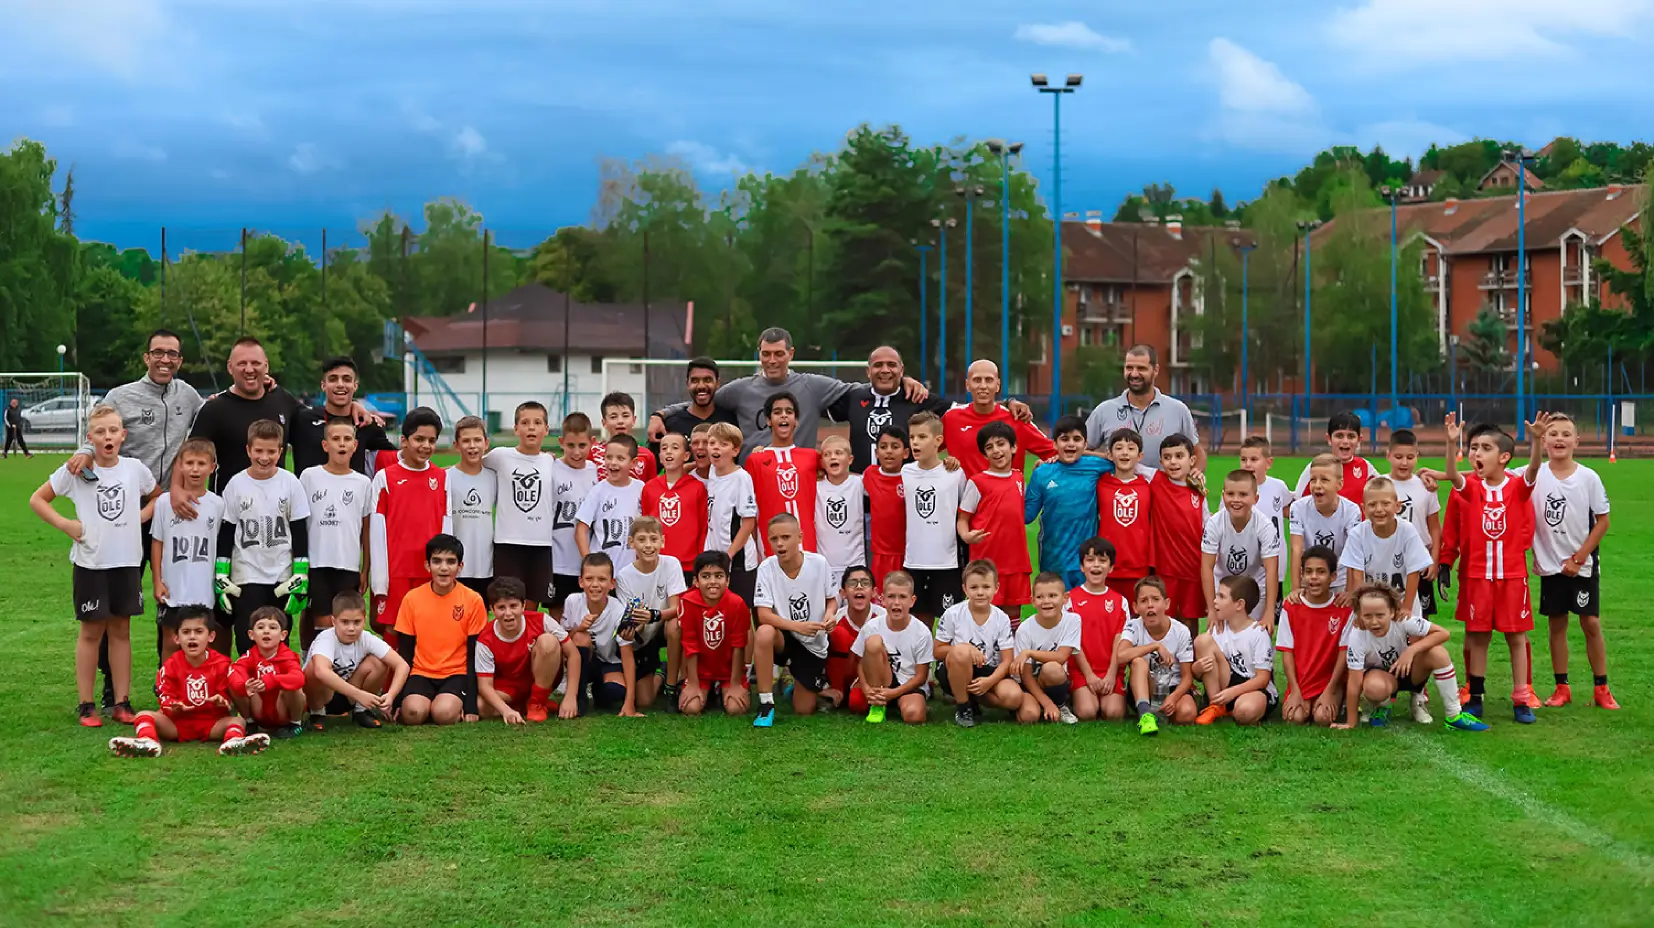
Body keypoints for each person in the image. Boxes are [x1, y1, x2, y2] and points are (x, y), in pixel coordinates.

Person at [30, 404, 157, 726]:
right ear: (90, 438)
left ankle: (122, 702)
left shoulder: (134, 469)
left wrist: (142, 515)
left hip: (126, 562)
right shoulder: (76, 470)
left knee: (121, 631)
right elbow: (38, 499)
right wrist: (66, 525)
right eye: (100, 432)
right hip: (91, 563)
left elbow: (157, 496)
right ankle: (86, 705)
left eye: (113, 431)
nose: (107, 436)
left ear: (123, 435)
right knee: (91, 632)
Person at [647, 327, 927, 459]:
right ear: (759, 354)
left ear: (790, 353)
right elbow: (701, 400)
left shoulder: (812, 386)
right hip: (752, 481)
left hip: (799, 479)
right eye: (766, 354)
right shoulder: (740, 390)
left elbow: (863, 388)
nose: (772, 360)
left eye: (778, 354)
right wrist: (661, 414)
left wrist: (902, 380)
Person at [1440, 413, 1544, 723]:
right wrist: (1451, 444)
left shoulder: (1517, 487)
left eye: (1486, 448)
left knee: (1516, 637)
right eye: (1474, 448)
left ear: (1504, 457)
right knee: (1478, 635)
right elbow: (1451, 474)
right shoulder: (1473, 488)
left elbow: (1534, 468)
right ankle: (1476, 696)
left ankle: (1522, 698)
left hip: (1512, 576)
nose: (1477, 454)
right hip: (1477, 576)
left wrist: (1537, 440)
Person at [1529, 413, 1617, 709]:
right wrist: (1441, 475)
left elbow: (1603, 522)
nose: (1560, 439)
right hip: (1551, 565)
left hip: (1582, 565)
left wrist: (1579, 558)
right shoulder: (1534, 473)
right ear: (1544, 440)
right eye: (1553, 433)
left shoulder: (1588, 477)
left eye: (1566, 434)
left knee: (1590, 622)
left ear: (1576, 441)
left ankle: (1602, 688)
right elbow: (1493, 471)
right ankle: (1561, 688)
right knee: (1557, 625)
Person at [186, 337, 351, 493]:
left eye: (255, 363)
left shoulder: (282, 399)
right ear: (230, 367)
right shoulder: (214, 409)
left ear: (266, 366)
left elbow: (318, 422)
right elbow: (189, 457)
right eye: (242, 363)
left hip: (277, 507)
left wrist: (350, 407)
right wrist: (182, 491)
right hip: (230, 509)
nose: (249, 369)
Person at [108, 608, 271, 758]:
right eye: (186, 632)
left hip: (212, 723)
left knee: (237, 721)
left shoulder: (222, 664)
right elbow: (164, 696)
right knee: (144, 715)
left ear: (211, 636)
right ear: (177, 638)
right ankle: (148, 742)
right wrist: (173, 705)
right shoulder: (170, 665)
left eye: (199, 631)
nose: (192, 637)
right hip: (177, 723)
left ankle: (233, 742)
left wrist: (222, 700)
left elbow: (230, 693)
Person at [1333, 584, 1489, 732]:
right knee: (1374, 687)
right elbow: (1354, 682)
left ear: (1392, 612)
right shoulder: (1357, 635)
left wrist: (1411, 651)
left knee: (1438, 653)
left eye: (1380, 615)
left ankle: (1454, 715)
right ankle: (1382, 705)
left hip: (1408, 671)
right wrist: (1351, 723)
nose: (1374, 622)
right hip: (1381, 679)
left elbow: (1443, 633)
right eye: (1367, 616)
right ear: (1359, 615)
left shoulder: (1402, 620)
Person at [214, 419, 311, 655]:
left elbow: (299, 530)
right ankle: (247, 679)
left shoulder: (291, 483)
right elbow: (227, 532)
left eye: (271, 451)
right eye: (258, 450)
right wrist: (221, 573)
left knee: (278, 639)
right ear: (248, 450)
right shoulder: (236, 484)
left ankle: (277, 680)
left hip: (282, 574)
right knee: (247, 637)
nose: (264, 457)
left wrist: (301, 572)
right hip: (246, 574)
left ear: (281, 451)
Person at [751, 513, 840, 728]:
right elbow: (763, 615)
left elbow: (832, 600)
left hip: (813, 642)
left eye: (785, 537)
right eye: (774, 539)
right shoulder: (766, 568)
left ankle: (798, 683)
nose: (780, 544)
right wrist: (798, 627)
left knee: (804, 709)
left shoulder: (819, 563)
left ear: (800, 537)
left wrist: (830, 615)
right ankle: (766, 704)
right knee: (764, 632)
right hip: (785, 636)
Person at [368, 408, 450, 640]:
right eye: (419, 439)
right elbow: (377, 531)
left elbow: (447, 526)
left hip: (429, 570)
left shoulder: (442, 477)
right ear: (404, 441)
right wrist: (380, 580)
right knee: (394, 629)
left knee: (427, 629)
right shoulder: (385, 477)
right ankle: (394, 667)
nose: (426, 446)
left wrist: (445, 569)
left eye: (431, 441)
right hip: (396, 572)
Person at [393, 533, 487, 726]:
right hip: (421, 672)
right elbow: (405, 652)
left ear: (460, 567)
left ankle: (448, 705)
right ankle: (426, 704)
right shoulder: (412, 599)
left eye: (451, 562)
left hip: (456, 673)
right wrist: (398, 699)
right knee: (412, 713)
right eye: (437, 561)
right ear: (427, 565)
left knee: (443, 714)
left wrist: (471, 705)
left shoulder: (473, 600)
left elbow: (474, 654)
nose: (444, 568)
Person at [298, 420, 372, 650]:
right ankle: (310, 659)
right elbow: (299, 523)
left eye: (347, 439)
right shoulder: (309, 477)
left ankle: (340, 666)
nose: (342, 444)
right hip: (317, 562)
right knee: (319, 620)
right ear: (325, 445)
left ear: (355, 445)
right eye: (336, 439)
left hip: (347, 564)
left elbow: (366, 529)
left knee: (344, 620)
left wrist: (365, 569)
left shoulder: (363, 483)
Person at [824, 345, 958, 472]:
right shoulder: (854, 397)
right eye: (878, 365)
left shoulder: (916, 397)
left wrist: (954, 456)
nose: (885, 370)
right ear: (868, 372)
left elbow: (963, 415)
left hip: (905, 486)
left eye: (892, 365)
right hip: (860, 485)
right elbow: (816, 406)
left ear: (901, 370)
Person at [150, 438, 223, 662]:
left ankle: (199, 683)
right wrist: (157, 581)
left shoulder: (218, 504)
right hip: (172, 589)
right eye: (189, 463)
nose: (195, 469)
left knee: (202, 642)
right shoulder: (164, 503)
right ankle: (167, 682)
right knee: (170, 641)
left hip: (203, 589)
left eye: (201, 464)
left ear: (212, 467)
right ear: (180, 466)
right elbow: (157, 542)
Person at [1025, 415, 1112, 587]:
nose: (1071, 444)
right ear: (1054, 444)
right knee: (1055, 601)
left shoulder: (1096, 466)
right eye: (1064, 439)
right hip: (1053, 557)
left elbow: (1123, 463)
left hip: (1087, 559)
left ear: (1085, 445)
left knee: (1086, 602)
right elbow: (1027, 515)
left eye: (1077, 439)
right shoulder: (1042, 472)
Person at [477, 576, 578, 724]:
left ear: (523, 605)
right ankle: (522, 705)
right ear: (492, 609)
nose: (508, 613)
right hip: (508, 688)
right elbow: (484, 686)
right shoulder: (485, 639)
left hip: (540, 676)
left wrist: (570, 696)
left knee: (548, 641)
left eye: (513, 606)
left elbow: (573, 654)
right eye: (501, 607)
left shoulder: (541, 620)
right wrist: (505, 710)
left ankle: (537, 702)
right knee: (480, 706)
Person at [485, 402, 557, 608]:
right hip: (508, 543)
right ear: (516, 429)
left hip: (541, 544)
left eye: (537, 423)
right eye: (525, 423)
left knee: (532, 606)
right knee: (508, 603)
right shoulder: (500, 456)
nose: (531, 427)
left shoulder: (550, 462)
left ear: (546, 429)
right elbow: (469, 467)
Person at [933, 561, 1021, 728]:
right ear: (965, 589)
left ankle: (975, 698)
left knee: (1014, 698)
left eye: (986, 587)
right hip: (956, 668)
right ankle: (964, 708)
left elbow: (1007, 660)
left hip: (988, 670)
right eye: (974, 587)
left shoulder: (1001, 618)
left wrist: (990, 681)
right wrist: (966, 648)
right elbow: (937, 651)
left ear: (996, 588)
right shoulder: (953, 614)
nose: (980, 592)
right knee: (960, 652)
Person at [303, 592, 408, 730]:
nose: (351, 628)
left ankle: (362, 711)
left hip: (351, 696)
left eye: (357, 622)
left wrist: (391, 695)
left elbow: (402, 665)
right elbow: (321, 671)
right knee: (314, 667)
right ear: (333, 621)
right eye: (345, 622)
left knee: (379, 661)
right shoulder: (326, 638)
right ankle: (317, 713)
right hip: (324, 696)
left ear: (364, 620)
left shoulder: (366, 638)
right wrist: (359, 694)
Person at [958, 421, 1033, 612]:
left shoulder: (1018, 478)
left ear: (1013, 447)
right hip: (986, 560)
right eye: (989, 447)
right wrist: (966, 536)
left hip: (1016, 561)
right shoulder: (977, 482)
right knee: (985, 611)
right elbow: (963, 519)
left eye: (1001, 444)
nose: (996, 451)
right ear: (984, 454)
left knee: (1013, 612)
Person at [1084, 345, 1204, 464]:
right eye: (1129, 368)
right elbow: (1081, 451)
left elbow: (1198, 454)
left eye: (1141, 368)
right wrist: (1107, 457)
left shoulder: (1178, 410)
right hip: (1116, 478)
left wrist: (1195, 474)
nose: (1134, 374)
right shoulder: (1104, 411)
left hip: (1161, 478)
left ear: (1156, 370)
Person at [614, 516, 686, 710]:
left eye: (653, 539)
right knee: (644, 701)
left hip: (664, 624)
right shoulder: (624, 577)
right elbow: (630, 617)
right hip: (644, 636)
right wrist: (634, 629)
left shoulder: (671, 564)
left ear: (662, 541)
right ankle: (661, 672)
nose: (648, 545)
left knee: (676, 625)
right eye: (642, 539)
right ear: (631, 543)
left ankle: (672, 686)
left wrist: (654, 615)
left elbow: (678, 608)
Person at [1277, 546, 1352, 727]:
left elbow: (1343, 654)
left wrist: (1330, 690)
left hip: (1330, 682)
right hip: (1302, 681)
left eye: (1321, 572)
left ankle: (1339, 696)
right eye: (1309, 572)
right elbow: (1287, 653)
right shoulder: (1291, 607)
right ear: (1302, 575)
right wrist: (1295, 690)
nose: (1314, 577)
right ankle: (1303, 697)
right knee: (1295, 718)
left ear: (1333, 577)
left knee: (1322, 718)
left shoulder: (1343, 609)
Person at [942, 359, 1055, 477]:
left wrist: (1044, 468)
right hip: (966, 490)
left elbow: (1056, 453)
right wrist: (944, 464)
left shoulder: (1016, 418)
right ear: (967, 385)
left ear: (997, 385)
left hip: (1009, 489)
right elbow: (929, 451)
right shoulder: (951, 418)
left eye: (989, 380)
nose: (983, 386)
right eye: (977, 380)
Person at [902, 411, 965, 622]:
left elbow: (964, 512)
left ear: (938, 440)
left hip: (946, 562)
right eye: (912, 437)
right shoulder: (905, 472)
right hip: (914, 561)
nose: (915, 442)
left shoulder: (954, 473)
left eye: (922, 437)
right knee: (918, 622)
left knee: (950, 621)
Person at [562, 552, 642, 717]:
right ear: (581, 581)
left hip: (607, 662)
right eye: (589, 579)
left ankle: (598, 689)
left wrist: (630, 703)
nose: (595, 585)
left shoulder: (618, 610)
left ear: (612, 583)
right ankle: (578, 696)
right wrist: (579, 628)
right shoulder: (572, 601)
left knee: (614, 692)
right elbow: (563, 641)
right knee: (580, 637)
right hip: (580, 661)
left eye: (602, 579)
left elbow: (627, 656)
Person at [1200, 470, 1281, 633]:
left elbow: (1271, 571)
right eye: (1230, 494)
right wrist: (1212, 609)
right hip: (1223, 587)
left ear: (1255, 498)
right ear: (1223, 496)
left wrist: (1269, 612)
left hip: (1255, 587)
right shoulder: (1214, 524)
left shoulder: (1265, 527)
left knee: (1252, 635)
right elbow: (1206, 567)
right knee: (1218, 639)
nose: (1236, 500)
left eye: (1243, 495)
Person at [288, 356, 396, 475]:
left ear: (355, 386)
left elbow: (398, 459)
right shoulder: (302, 419)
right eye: (333, 379)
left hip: (352, 487)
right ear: (323, 385)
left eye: (346, 379)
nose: (340, 384)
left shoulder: (365, 423)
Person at [1192, 576, 1278, 726]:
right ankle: (1215, 705)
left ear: (1239, 605)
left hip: (1253, 687)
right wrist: (1196, 669)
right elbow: (1202, 675)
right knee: (1202, 640)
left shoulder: (1258, 632)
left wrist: (1232, 692)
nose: (1214, 601)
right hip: (1226, 682)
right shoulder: (1217, 629)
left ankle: (1236, 707)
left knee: (1244, 712)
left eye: (1221, 596)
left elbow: (1263, 679)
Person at [852, 570, 934, 725]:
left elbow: (921, 676)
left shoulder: (922, 632)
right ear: (882, 599)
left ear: (912, 601)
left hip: (907, 684)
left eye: (902, 597)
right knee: (873, 642)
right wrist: (866, 687)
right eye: (891, 596)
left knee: (914, 716)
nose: (896, 602)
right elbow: (861, 663)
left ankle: (900, 703)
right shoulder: (872, 626)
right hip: (880, 678)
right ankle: (878, 705)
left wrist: (894, 693)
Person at [1117, 577, 1198, 735]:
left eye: (1155, 599)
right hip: (1145, 687)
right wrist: (1155, 646)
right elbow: (1121, 655)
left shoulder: (1181, 631)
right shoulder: (1133, 626)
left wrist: (1174, 698)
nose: (1150, 605)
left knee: (1187, 714)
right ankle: (1145, 714)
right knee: (1138, 662)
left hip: (1172, 687)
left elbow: (1187, 677)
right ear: (1135, 607)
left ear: (1167, 604)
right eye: (1143, 600)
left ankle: (1161, 711)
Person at [744, 392, 820, 555]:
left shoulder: (812, 457)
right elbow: (749, 509)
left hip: (808, 545)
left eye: (789, 412)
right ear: (768, 420)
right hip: (770, 548)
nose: (784, 415)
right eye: (777, 412)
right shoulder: (755, 460)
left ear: (796, 421)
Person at [677, 551, 752, 717]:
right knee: (691, 708)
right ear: (696, 581)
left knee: (735, 709)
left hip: (728, 670)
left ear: (727, 580)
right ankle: (708, 690)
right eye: (706, 576)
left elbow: (738, 645)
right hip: (700, 671)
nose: (712, 581)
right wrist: (693, 683)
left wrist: (735, 684)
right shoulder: (688, 602)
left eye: (718, 576)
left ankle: (724, 688)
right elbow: (690, 645)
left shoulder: (737, 603)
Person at [1065, 538, 1132, 723]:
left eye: (1102, 561)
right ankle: (1073, 695)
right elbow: (1072, 642)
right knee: (1087, 712)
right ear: (1082, 566)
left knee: (1113, 713)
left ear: (1110, 568)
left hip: (1110, 670)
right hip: (1082, 671)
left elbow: (1120, 640)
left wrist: (1111, 674)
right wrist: (1089, 675)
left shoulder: (1120, 601)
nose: (1096, 565)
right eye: (1090, 560)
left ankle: (1122, 693)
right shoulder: (1070, 600)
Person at [1149, 432, 1208, 629]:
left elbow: (1208, 525)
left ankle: (1189, 650)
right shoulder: (1156, 479)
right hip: (1165, 567)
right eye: (1167, 457)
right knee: (1164, 616)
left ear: (1192, 461)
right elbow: (1124, 460)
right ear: (1160, 462)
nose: (1173, 462)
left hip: (1193, 566)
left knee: (1190, 618)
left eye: (1179, 456)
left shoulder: (1198, 489)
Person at [1287, 453, 1362, 604]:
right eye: (1313, 480)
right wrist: (1296, 588)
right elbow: (1296, 549)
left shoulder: (1351, 511)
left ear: (1339, 484)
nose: (1317, 485)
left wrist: (1349, 591)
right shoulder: (1298, 508)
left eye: (1324, 480)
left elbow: (1353, 552)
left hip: (1339, 580)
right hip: (1310, 579)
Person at [1382, 429, 1442, 616]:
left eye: (1410, 457)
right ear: (1388, 455)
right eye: (1398, 457)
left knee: (1420, 618)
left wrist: (1434, 560)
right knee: (1385, 612)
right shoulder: (1379, 484)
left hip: (1419, 559)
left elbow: (1434, 527)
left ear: (1417, 456)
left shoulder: (1426, 487)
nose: (1404, 462)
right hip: (1387, 558)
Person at [1011, 573, 1083, 724]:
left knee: (1052, 668)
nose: (1046, 601)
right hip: (1031, 683)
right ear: (1032, 601)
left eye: (1052, 596)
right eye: (1040, 597)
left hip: (1054, 678)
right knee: (1029, 716)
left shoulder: (1073, 620)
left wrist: (1029, 652)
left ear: (1065, 598)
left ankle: (1060, 704)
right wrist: (1046, 703)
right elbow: (1026, 676)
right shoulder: (1025, 629)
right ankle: (1040, 703)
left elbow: (1061, 657)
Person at [1093, 427, 1155, 602]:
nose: (1125, 453)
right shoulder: (1101, 483)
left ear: (1140, 456)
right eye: (1119, 448)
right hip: (1107, 564)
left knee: (1137, 612)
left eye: (1131, 448)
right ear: (1110, 455)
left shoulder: (1148, 486)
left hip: (1139, 565)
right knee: (1108, 613)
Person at [703, 422, 760, 606]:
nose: (716, 448)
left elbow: (748, 523)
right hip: (714, 555)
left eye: (723, 444)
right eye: (712, 443)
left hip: (737, 560)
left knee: (741, 611)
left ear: (735, 451)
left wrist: (729, 555)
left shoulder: (741, 478)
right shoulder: (713, 471)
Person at [228, 606, 307, 737]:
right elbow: (235, 670)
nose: (266, 631)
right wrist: (243, 686)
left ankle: (295, 723)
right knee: (234, 682)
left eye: (272, 627)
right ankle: (250, 722)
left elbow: (299, 678)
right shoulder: (250, 656)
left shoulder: (288, 656)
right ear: (251, 635)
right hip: (259, 708)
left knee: (293, 686)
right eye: (260, 627)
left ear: (283, 635)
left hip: (282, 711)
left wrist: (272, 680)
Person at [642, 431, 708, 587]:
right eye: (664, 448)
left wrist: (700, 564)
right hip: (656, 563)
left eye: (675, 447)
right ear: (659, 457)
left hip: (688, 565)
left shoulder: (697, 488)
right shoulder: (649, 488)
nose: (669, 452)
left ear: (686, 456)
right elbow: (644, 527)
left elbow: (703, 528)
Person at [549, 413, 599, 613]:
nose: (577, 452)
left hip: (585, 559)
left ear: (592, 442)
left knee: (587, 612)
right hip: (558, 560)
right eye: (570, 445)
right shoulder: (551, 468)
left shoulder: (595, 471)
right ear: (561, 442)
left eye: (582, 445)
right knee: (557, 612)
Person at [576, 434, 645, 573]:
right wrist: (589, 564)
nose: (613, 463)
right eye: (608, 457)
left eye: (620, 458)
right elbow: (580, 530)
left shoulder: (641, 489)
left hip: (632, 571)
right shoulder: (598, 491)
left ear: (633, 463)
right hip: (603, 574)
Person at [649, 357, 739, 462]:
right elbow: (654, 466)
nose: (701, 386)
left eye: (707, 380)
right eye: (695, 380)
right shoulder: (669, 425)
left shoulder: (731, 421)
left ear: (717, 383)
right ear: (687, 384)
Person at [447, 416, 496, 598]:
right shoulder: (446, 477)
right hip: (456, 565)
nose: (472, 446)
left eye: (477, 440)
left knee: (481, 612)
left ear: (486, 443)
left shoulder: (494, 477)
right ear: (456, 445)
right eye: (466, 441)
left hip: (486, 565)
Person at [829, 564, 885, 712]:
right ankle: (837, 691)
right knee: (839, 634)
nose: (859, 587)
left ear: (874, 592)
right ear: (843, 593)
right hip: (843, 673)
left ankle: (874, 693)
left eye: (865, 583)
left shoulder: (883, 618)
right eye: (852, 583)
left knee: (857, 704)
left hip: (870, 676)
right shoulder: (835, 619)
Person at [1293, 411, 1375, 507]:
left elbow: (1384, 492)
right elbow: (1297, 502)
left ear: (1359, 440)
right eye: (1339, 436)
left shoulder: (1366, 467)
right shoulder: (1316, 466)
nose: (1345, 441)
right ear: (1329, 439)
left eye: (1351, 436)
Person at [862, 425, 909, 591]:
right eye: (883, 447)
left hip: (907, 554)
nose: (889, 451)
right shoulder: (870, 474)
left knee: (903, 597)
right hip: (879, 553)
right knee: (880, 598)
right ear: (876, 453)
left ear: (905, 453)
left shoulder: (911, 476)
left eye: (895, 447)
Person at [814, 435, 865, 587]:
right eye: (827, 454)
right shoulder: (815, 487)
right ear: (821, 462)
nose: (833, 457)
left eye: (838, 453)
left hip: (856, 563)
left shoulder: (860, 483)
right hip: (825, 565)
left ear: (850, 459)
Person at [592, 392, 658, 481]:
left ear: (634, 420)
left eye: (625, 416)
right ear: (604, 423)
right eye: (613, 417)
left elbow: (651, 487)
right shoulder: (593, 453)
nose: (620, 421)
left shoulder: (646, 455)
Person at [1238, 436, 1292, 537]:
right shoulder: (1233, 490)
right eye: (1243, 459)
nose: (1247, 464)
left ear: (1268, 463)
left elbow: (1287, 510)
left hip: (1276, 547)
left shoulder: (1279, 486)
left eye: (1254, 459)